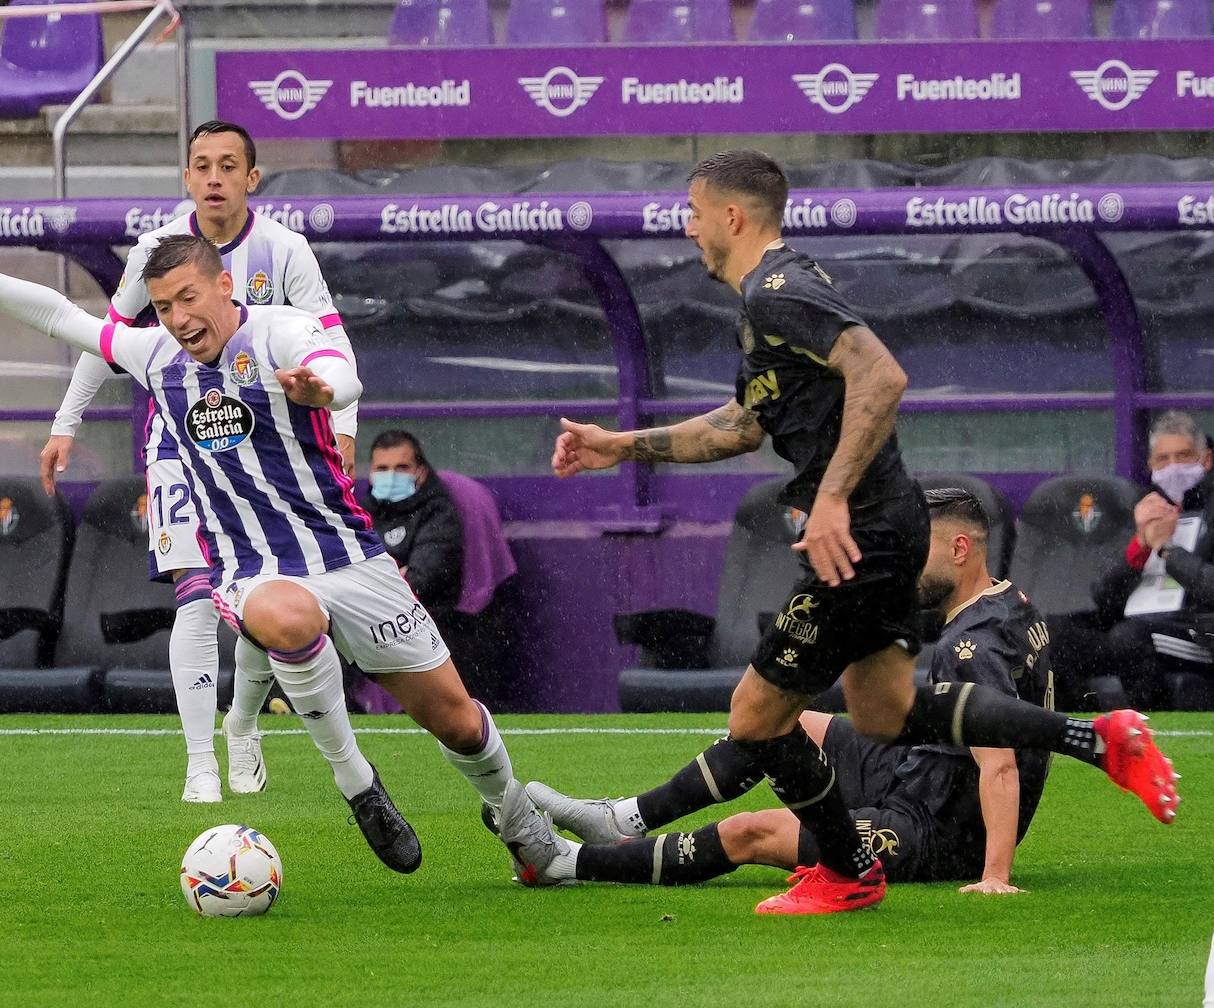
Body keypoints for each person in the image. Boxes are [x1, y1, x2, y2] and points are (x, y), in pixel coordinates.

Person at [536, 149, 1178, 915]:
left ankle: (845, 872)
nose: (688, 226)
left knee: (756, 716)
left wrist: (834, 495)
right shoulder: (770, 300)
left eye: (695, 213)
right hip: (888, 525)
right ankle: (1095, 739)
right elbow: (742, 426)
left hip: (866, 532)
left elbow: (883, 375)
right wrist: (620, 445)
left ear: (732, 218)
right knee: (885, 714)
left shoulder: (778, 290)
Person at [0, 184, 516, 877]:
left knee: (460, 723)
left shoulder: (277, 329)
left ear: (224, 285)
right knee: (275, 618)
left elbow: (334, 364)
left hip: (349, 555)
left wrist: (326, 389)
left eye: (188, 298)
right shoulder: (153, 356)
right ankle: (355, 784)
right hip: (252, 568)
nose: (176, 317)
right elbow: (59, 316)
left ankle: (527, 830)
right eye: (163, 306)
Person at [504, 488, 1054, 895]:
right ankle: (622, 819)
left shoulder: (971, 649)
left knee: (751, 832)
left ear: (960, 549)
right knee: (781, 722)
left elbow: (1000, 764)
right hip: (919, 772)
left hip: (931, 830)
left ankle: (568, 863)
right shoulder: (1011, 605)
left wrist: (994, 875)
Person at [38, 120, 358, 804]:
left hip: (272, 449)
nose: (213, 177)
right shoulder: (157, 249)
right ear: (186, 178)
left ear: (251, 178)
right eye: (200, 165)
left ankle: (241, 723)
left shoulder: (285, 249)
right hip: (182, 442)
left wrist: (344, 424)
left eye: (227, 165)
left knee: (258, 601)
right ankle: (199, 763)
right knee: (194, 595)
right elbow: (107, 337)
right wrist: (67, 422)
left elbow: (332, 339)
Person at [1052, 411, 1214, 708]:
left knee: (1131, 637)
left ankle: (1149, 736)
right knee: (1054, 634)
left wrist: (1166, 549)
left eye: (1183, 456)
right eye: (1163, 460)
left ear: (1206, 460)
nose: (1173, 467)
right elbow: (1103, 598)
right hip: (1135, 624)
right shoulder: (1145, 507)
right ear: (1151, 466)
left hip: (1198, 632)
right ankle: (1084, 726)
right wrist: (1140, 545)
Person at [362, 430, 465, 615]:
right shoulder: (361, 513)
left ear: (421, 472)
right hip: (371, 619)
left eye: (402, 467)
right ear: (371, 473)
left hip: (430, 621)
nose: (391, 476)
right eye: (382, 469)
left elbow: (421, 580)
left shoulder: (438, 512)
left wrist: (369, 585)